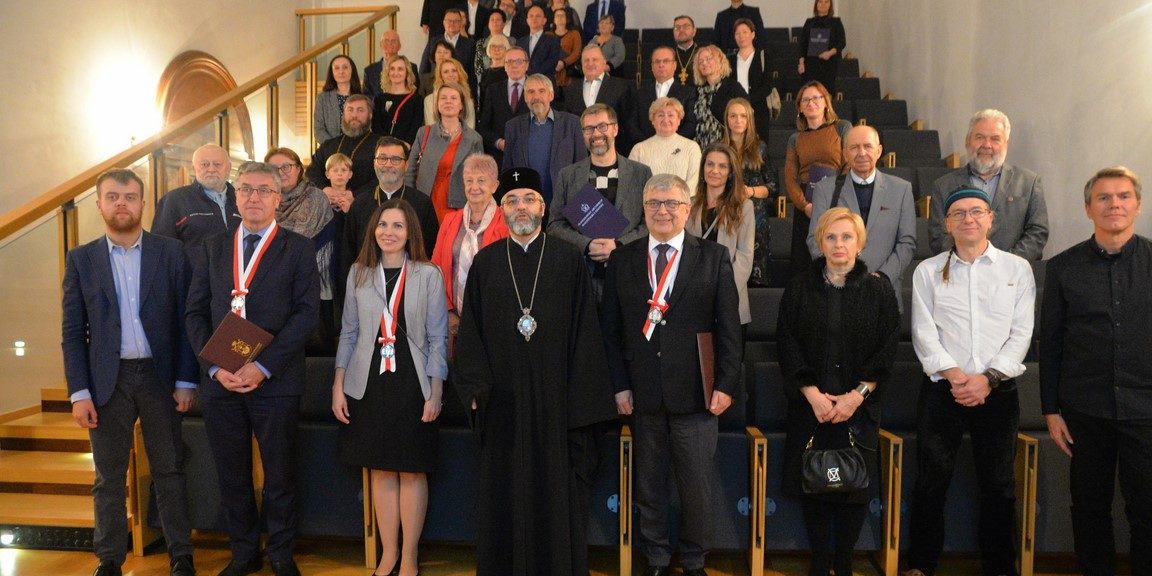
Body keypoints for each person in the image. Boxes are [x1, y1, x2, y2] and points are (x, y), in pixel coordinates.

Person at [454, 167, 617, 576]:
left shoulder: (568, 260)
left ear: (543, 207)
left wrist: (579, 405)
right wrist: (475, 387)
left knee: (556, 496)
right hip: (503, 405)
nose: (520, 207)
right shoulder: (486, 264)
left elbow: (586, 334)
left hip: (556, 407)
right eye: (511, 201)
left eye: (528, 199)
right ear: (502, 209)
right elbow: (471, 334)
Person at [602, 173, 742, 576]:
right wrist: (620, 386)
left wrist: (725, 385)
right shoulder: (623, 259)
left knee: (696, 487)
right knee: (649, 485)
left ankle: (695, 560)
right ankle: (657, 558)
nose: (662, 211)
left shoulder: (713, 257)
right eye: (653, 203)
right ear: (643, 209)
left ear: (687, 208)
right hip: (643, 393)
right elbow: (611, 332)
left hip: (698, 394)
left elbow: (729, 329)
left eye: (671, 203)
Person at [185, 161, 320, 576]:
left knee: (280, 474)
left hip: (275, 381)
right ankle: (243, 552)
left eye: (263, 190)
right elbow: (195, 313)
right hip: (221, 382)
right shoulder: (213, 246)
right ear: (235, 196)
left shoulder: (299, 248)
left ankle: (280, 552)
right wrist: (214, 368)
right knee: (232, 474)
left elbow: (306, 316)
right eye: (245, 189)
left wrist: (262, 366)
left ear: (278, 198)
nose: (253, 197)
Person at [62, 168, 198, 576]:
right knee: (108, 476)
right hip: (108, 382)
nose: (121, 203)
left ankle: (181, 555)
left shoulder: (171, 253)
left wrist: (186, 380)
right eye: (112, 196)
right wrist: (79, 392)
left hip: (161, 378)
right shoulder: (81, 259)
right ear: (99, 204)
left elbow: (187, 321)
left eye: (130, 196)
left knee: (169, 469)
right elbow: (72, 332)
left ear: (142, 203)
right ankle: (109, 559)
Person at [905, 187, 1035, 576]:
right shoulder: (927, 271)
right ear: (947, 224)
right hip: (943, 390)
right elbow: (923, 332)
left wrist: (988, 379)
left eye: (976, 211)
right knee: (931, 480)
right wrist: (956, 375)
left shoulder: (1017, 269)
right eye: (958, 213)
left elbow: (1021, 333)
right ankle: (921, 565)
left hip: (998, 391)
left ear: (990, 219)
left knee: (999, 484)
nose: (968, 219)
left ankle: (999, 567)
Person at [1040, 166, 1152, 575]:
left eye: (1123, 196)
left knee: (1147, 509)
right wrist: (1050, 410)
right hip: (1084, 410)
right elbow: (1051, 342)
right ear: (1088, 208)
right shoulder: (1063, 267)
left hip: (1146, 408)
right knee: (1089, 509)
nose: (1114, 204)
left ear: (1137, 206)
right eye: (1103, 198)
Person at [777, 207, 899, 576]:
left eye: (847, 236)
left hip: (858, 406)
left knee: (854, 486)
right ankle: (819, 563)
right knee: (814, 482)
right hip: (811, 405)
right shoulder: (800, 287)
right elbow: (787, 342)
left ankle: (844, 563)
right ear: (821, 242)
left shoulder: (879, 289)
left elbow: (887, 346)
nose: (839, 244)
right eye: (831, 237)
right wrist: (812, 393)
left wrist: (857, 395)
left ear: (859, 243)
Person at [333, 199, 448, 576]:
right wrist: (338, 384)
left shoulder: (428, 274)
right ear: (373, 230)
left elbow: (438, 338)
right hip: (368, 383)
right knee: (380, 470)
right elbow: (348, 332)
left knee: (412, 471)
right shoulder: (358, 272)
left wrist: (436, 391)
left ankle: (410, 557)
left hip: (413, 383)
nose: (389, 232)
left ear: (410, 232)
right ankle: (388, 555)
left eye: (398, 225)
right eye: (383, 225)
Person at [548, 103, 653, 297]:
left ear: (615, 129)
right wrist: (587, 244)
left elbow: (650, 222)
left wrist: (619, 246)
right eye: (589, 129)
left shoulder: (641, 173)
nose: (596, 134)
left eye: (602, 126)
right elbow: (554, 224)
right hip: (582, 275)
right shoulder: (567, 175)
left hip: (628, 274)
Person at [807, 125, 916, 306]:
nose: (862, 153)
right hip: (837, 292)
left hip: (885, 292)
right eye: (854, 147)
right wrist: (838, 274)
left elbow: (907, 242)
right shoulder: (825, 189)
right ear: (845, 154)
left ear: (879, 151)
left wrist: (882, 276)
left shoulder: (901, 189)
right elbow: (814, 239)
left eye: (868, 146)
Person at [929, 109, 1048, 260]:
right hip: (960, 270)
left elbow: (1037, 232)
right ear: (967, 141)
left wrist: (1005, 264)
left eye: (995, 139)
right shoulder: (943, 186)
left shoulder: (1029, 182)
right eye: (979, 137)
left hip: (1012, 271)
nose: (987, 145)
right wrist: (970, 263)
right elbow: (938, 236)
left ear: (1006, 144)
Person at [431, 154, 510, 347]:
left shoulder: (507, 222)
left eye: (481, 181)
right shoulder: (450, 220)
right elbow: (436, 269)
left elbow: (510, 275)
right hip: (453, 319)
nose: (474, 187)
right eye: (469, 181)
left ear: (495, 186)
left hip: (494, 319)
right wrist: (448, 311)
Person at [266, 147, 338, 355]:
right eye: (274, 168)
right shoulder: (264, 200)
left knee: (312, 351)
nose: (281, 172)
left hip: (312, 285)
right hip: (273, 287)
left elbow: (305, 243)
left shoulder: (315, 197)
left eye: (287, 166)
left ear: (298, 169)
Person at [344, 137, 440, 287]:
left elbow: (431, 252)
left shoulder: (422, 204)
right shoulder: (359, 205)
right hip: (367, 285)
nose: (388, 164)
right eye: (382, 158)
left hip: (412, 286)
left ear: (406, 165)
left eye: (395, 159)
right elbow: (348, 254)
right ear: (374, 163)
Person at [784, 80, 851, 277]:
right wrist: (805, 205)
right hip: (807, 204)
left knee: (834, 258)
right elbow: (790, 177)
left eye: (816, 98)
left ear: (826, 102)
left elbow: (849, 164)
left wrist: (834, 199)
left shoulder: (842, 127)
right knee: (804, 264)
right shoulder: (795, 138)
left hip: (838, 199)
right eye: (805, 100)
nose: (810, 103)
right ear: (800, 108)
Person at [687, 143, 754, 327]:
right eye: (710, 164)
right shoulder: (689, 206)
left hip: (729, 302)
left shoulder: (744, 207)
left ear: (731, 172)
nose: (715, 170)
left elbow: (745, 257)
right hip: (695, 300)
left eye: (722, 166)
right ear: (702, 169)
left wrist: (722, 292)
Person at [501, 74, 587, 205]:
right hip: (527, 205)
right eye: (531, 92)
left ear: (551, 95)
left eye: (541, 91)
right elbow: (507, 169)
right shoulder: (512, 127)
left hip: (564, 202)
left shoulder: (572, 123)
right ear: (525, 97)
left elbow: (582, 167)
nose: (536, 97)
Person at [406, 82, 485, 219]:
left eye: (453, 98)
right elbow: (410, 171)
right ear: (437, 104)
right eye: (443, 98)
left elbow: (479, 178)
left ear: (461, 105)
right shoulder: (424, 133)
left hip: (459, 207)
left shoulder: (474, 139)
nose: (448, 101)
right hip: (425, 204)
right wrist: (410, 202)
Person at [153, 143, 241, 253]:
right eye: (204, 164)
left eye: (217, 164)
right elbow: (160, 248)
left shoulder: (242, 199)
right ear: (194, 168)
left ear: (228, 168)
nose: (211, 169)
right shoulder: (174, 200)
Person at [722, 98, 773, 286]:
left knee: (756, 270)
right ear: (727, 119)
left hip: (756, 214)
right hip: (726, 213)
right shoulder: (719, 148)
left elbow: (772, 187)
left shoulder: (760, 148)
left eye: (743, 116)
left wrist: (749, 191)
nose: (738, 120)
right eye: (733, 116)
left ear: (749, 120)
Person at [562, 45, 635, 153]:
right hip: (580, 155)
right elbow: (568, 125)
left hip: (613, 153)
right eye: (586, 60)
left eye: (594, 59)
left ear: (604, 62)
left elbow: (627, 125)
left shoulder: (621, 87)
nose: (590, 63)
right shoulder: (571, 89)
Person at [629, 97, 702, 191]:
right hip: (647, 200)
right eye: (660, 115)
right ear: (652, 120)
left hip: (682, 200)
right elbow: (632, 182)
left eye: (671, 115)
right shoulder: (639, 149)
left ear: (679, 120)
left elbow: (694, 182)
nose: (666, 119)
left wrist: (674, 198)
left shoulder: (692, 147)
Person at [309, 94, 380, 191]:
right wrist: (325, 189)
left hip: (367, 199)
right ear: (343, 115)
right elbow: (311, 172)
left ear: (370, 115)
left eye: (360, 110)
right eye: (350, 110)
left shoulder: (381, 145)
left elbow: (384, 177)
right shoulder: (329, 145)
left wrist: (355, 195)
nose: (354, 115)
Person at [630, 46, 698, 142]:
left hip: (676, 147)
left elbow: (690, 124)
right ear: (652, 67)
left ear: (674, 65)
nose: (661, 65)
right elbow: (632, 124)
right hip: (646, 147)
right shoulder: (640, 93)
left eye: (666, 61)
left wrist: (670, 144)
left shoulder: (688, 92)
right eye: (657, 61)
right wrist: (648, 144)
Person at [477, 45, 530, 163]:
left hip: (529, 156)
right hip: (499, 158)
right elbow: (484, 126)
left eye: (519, 61)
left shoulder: (536, 89)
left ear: (527, 65)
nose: (514, 65)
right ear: (504, 66)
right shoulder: (493, 90)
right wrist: (498, 143)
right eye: (509, 61)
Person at [692, 44, 748, 149]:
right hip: (700, 146)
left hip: (727, 146)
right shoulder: (697, 91)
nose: (704, 63)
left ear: (720, 61)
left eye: (708, 58)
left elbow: (747, 115)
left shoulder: (732, 87)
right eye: (700, 61)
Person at [727, 18, 773, 135]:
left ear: (753, 34)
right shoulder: (730, 60)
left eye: (745, 32)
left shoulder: (764, 56)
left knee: (759, 144)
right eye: (737, 33)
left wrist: (747, 101)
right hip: (736, 112)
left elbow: (767, 86)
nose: (741, 36)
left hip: (759, 111)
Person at [797, 0, 846, 96]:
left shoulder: (836, 22)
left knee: (826, 95)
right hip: (810, 65)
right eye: (820, 2)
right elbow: (802, 44)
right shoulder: (809, 22)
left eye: (826, 2)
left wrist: (830, 53)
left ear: (830, 5)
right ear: (816, 4)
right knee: (810, 94)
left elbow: (842, 42)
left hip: (829, 65)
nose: (823, 4)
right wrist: (801, 63)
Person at [372, 55, 424, 143]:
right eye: (392, 69)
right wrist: (388, 143)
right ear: (387, 72)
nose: (396, 73)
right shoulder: (379, 98)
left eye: (400, 69)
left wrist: (403, 145)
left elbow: (415, 127)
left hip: (406, 147)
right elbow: (376, 126)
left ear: (407, 72)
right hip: (384, 145)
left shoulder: (416, 99)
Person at [314, 54, 364, 143]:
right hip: (331, 148)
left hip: (359, 147)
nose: (341, 71)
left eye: (345, 67)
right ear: (332, 73)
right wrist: (333, 146)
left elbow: (367, 126)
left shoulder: (363, 97)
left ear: (352, 70)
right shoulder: (322, 98)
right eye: (336, 68)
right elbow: (319, 130)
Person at [363, 30, 418, 104]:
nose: (390, 44)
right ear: (380, 44)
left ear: (399, 46)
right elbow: (366, 97)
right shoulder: (369, 71)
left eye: (393, 41)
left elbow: (415, 92)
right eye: (386, 41)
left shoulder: (412, 68)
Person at [422, 58, 476, 129]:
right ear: (441, 76)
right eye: (446, 72)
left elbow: (470, 128)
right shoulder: (429, 100)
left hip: (463, 136)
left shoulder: (468, 100)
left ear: (459, 74)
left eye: (454, 71)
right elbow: (432, 128)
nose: (451, 74)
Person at [420, 8, 476, 75]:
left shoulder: (470, 44)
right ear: (444, 23)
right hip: (435, 81)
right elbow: (423, 69)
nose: (452, 23)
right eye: (449, 20)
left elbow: (472, 73)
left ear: (460, 23)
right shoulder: (433, 42)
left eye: (456, 21)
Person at [518, 4, 565, 82]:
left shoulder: (553, 40)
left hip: (545, 83)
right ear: (527, 21)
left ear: (544, 20)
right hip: (523, 83)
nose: (534, 18)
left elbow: (552, 63)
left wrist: (531, 75)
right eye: (531, 16)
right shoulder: (520, 42)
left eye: (538, 16)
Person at [473, 12, 510, 97]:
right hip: (486, 79)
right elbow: (478, 67)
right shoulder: (481, 43)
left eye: (498, 20)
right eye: (492, 20)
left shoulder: (512, 41)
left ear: (504, 23)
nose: (495, 22)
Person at [550, 6, 583, 91]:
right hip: (551, 73)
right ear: (553, 20)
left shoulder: (575, 34)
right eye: (557, 15)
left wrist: (564, 63)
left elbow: (577, 53)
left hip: (570, 72)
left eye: (562, 15)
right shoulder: (547, 35)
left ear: (567, 19)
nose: (560, 17)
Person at [671, 15, 699, 87]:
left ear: (694, 31)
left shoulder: (702, 53)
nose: (681, 30)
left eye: (686, 27)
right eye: (677, 28)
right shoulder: (667, 55)